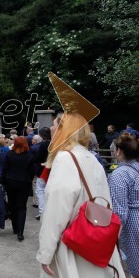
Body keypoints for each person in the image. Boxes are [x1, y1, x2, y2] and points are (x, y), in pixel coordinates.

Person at [37, 113, 124, 278]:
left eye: (55, 125)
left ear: (65, 130)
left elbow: (56, 212)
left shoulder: (65, 159)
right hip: (94, 243)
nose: (51, 129)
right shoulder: (91, 159)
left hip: (72, 245)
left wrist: (45, 253)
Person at [108, 133, 139, 278]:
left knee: (136, 268)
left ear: (119, 151)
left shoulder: (119, 174)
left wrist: (112, 237)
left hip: (133, 225)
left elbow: (120, 211)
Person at [1, 136, 35, 241]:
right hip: (23, 183)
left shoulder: (10, 154)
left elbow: (5, 169)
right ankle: (20, 232)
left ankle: (15, 228)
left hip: (10, 182)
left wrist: (2, 181)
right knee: (21, 207)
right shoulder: (30, 156)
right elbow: (32, 171)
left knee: (12, 205)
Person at [34, 127, 51, 220]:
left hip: (42, 169)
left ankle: (42, 212)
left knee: (40, 190)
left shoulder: (43, 145)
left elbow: (39, 157)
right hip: (52, 169)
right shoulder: (53, 143)